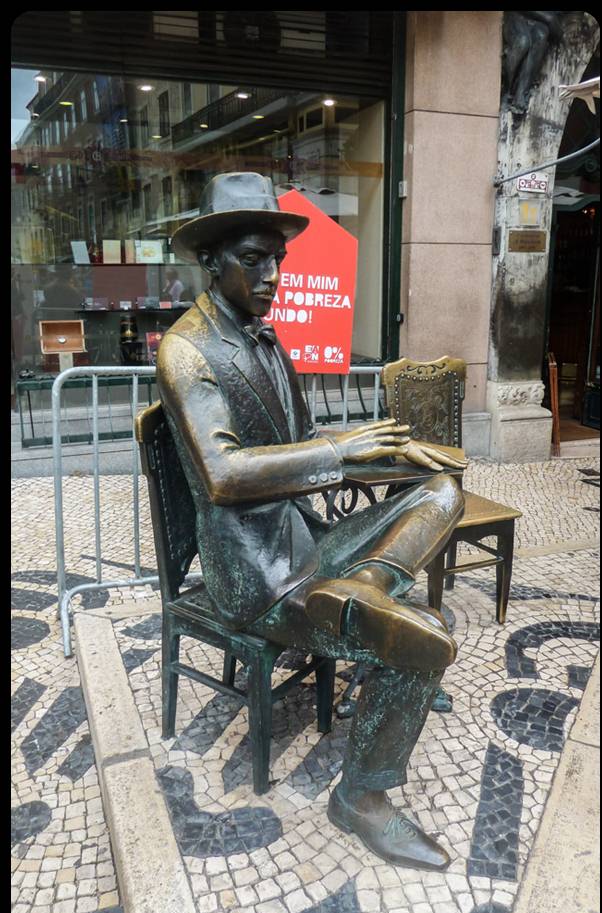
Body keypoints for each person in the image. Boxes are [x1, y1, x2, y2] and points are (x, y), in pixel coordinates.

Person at [159, 172, 468, 871]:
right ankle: (360, 798)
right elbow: (224, 473)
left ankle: (360, 585)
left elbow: (303, 447)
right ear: (212, 262)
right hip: (257, 573)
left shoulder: (268, 341)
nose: (272, 274)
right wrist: (338, 451)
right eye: (253, 258)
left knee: (441, 491)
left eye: (278, 259)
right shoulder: (185, 351)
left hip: (307, 543)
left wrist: (386, 454)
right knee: (425, 639)